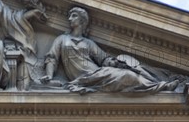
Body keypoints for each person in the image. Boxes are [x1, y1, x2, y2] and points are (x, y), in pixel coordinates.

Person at [41, 6, 179, 94]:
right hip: (84, 78)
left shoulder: (88, 43)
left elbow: (103, 59)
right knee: (129, 76)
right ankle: (160, 86)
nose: (70, 19)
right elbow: (51, 57)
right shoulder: (62, 39)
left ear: (82, 21)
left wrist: (115, 62)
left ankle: (160, 86)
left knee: (131, 74)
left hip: (97, 73)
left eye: (74, 16)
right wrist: (49, 75)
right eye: (70, 16)